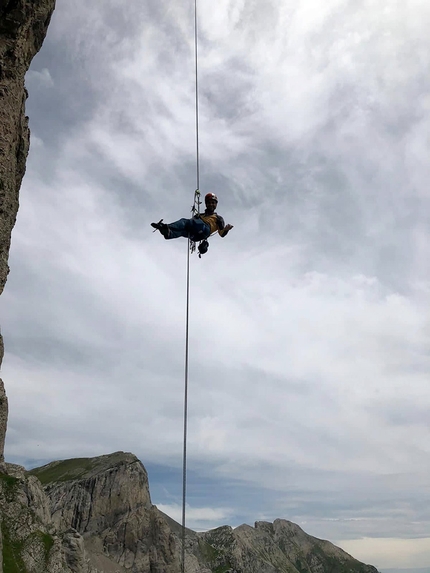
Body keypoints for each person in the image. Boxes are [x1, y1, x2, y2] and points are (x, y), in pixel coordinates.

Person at [151, 193, 233, 242]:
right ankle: (167, 233)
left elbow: (221, 234)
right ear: (206, 204)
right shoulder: (200, 215)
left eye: (213, 203)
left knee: (185, 222)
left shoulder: (218, 218)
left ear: (216, 204)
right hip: (197, 236)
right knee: (183, 232)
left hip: (205, 229)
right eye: (209, 203)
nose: (211, 204)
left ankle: (167, 226)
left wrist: (226, 230)